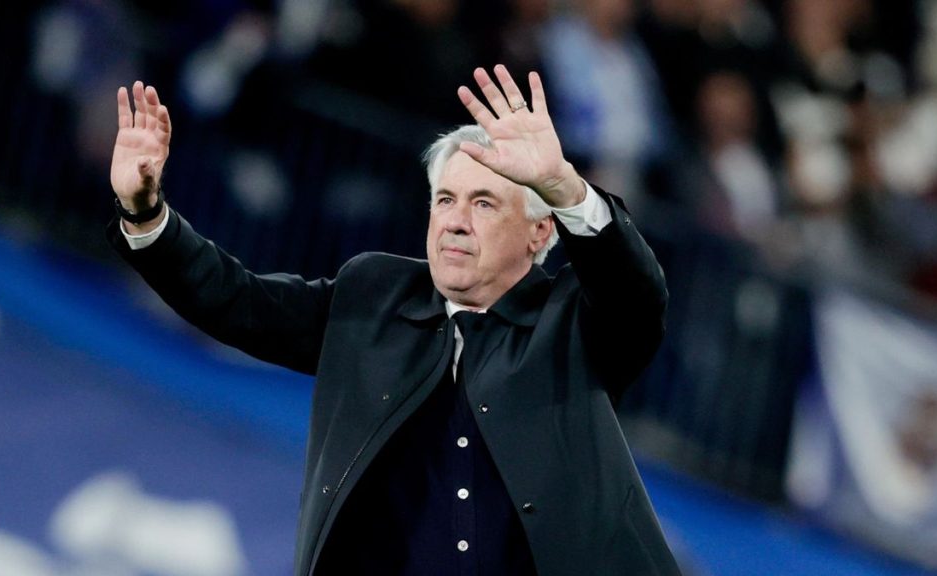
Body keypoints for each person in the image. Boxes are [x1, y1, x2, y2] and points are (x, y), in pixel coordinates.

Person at [108, 64, 679, 575]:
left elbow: (638, 293)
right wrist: (145, 214)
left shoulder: (575, 321)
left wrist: (564, 188)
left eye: (483, 203)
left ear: (539, 230)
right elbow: (239, 302)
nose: (456, 221)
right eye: (445, 200)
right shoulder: (373, 296)